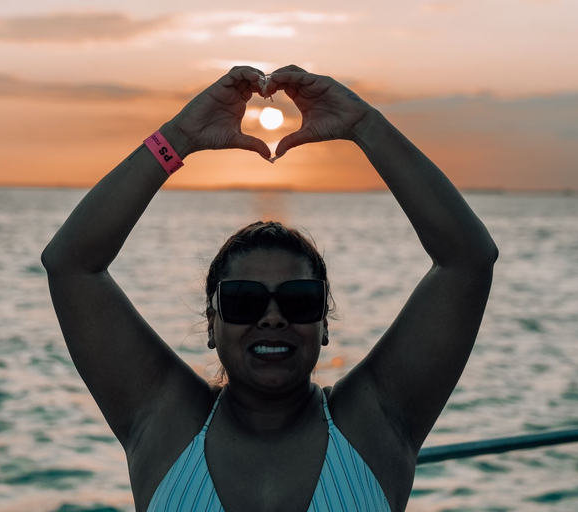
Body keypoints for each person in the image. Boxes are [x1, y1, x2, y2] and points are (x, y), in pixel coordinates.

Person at [41, 65, 498, 512]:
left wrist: (363, 125)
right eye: (244, 299)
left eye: (299, 300)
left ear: (323, 323)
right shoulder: (164, 420)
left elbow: (467, 261)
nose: (273, 317)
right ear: (211, 321)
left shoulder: (375, 422)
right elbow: (70, 265)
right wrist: (178, 137)